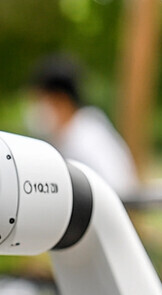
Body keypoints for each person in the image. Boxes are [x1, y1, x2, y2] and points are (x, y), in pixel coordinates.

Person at [28, 55, 138, 198]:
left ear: (60, 100)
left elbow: (119, 190)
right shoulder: (66, 137)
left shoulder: (87, 137)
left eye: (40, 99)